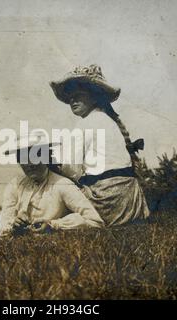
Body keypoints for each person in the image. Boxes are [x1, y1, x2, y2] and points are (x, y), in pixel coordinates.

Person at [50, 64, 150, 226]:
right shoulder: (111, 121)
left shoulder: (85, 124)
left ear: (94, 96)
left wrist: (57, 169)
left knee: (57, 191)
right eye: (70, 97)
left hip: (105, 199)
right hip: (130, 199)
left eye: (79, 95)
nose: (73, 101)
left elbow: (71, 169)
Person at [0, 131, 104, 237]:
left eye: (35, 157)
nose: (30, 164)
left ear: (46, 157)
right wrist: (14, 225)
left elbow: (95, 221)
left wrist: (53, 225)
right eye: (24, 159)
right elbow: (4, 229)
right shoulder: (15, 185)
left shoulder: (62, 184)